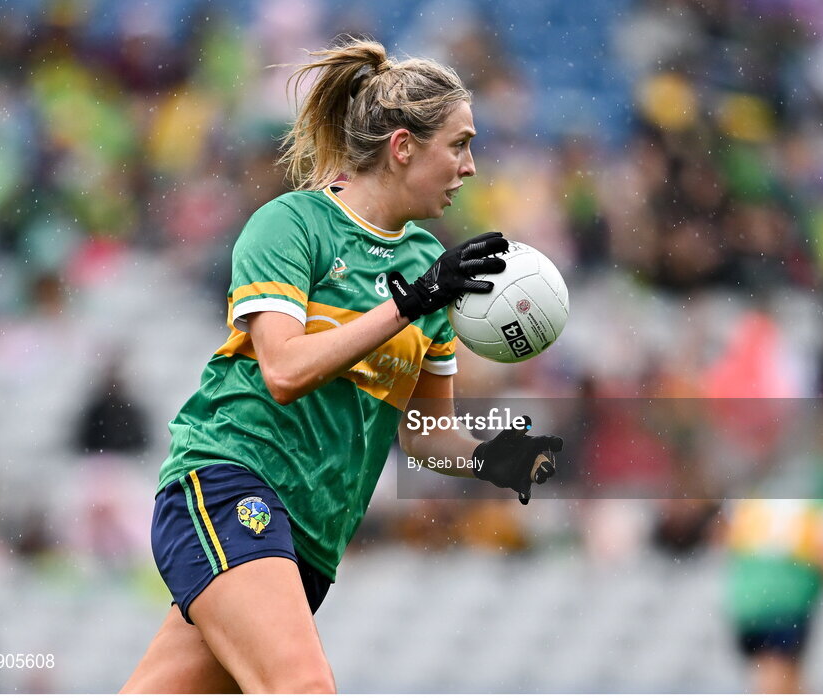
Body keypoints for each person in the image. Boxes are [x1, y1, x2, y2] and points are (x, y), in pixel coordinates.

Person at [121, 38, 562, 694]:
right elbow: (283, 370)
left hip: (310, 540)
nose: (470, 167)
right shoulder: (293, 226)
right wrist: (408, 304)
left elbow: (424, 436)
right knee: (305, 689)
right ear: (404, 147)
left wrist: (496, 457)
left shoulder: (429, 268)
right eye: (459, 144)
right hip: (228, 487)